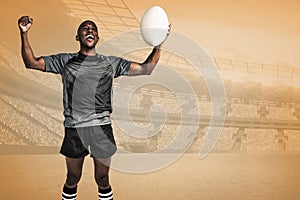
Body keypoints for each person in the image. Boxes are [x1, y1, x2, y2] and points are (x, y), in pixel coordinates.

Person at [18, 16, 170, 200]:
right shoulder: (65, 60)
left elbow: (146, 69)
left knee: (103, 179)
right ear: (78, 37)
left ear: (97, 37)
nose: (89, 30)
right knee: (73, 177)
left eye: (93, 29)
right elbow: (31, 62)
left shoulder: (111, 63)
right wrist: (24, 33)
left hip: (101, 128)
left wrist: (158, 45)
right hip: (75, 128)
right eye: (85, 28)